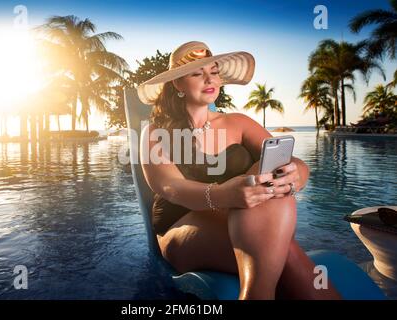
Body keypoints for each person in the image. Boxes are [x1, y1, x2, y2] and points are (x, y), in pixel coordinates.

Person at [137, 41, 341, 300]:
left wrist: (299, 172)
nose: (209, 79)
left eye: (214, 71)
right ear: (177, 84)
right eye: (197, 73)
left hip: (242, 217)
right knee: (284, 253)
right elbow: (169, 186)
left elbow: (287, 159)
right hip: (180, 223)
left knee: (269, 171)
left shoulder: (239, 122)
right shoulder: (156, 132)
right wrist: (224, 194)